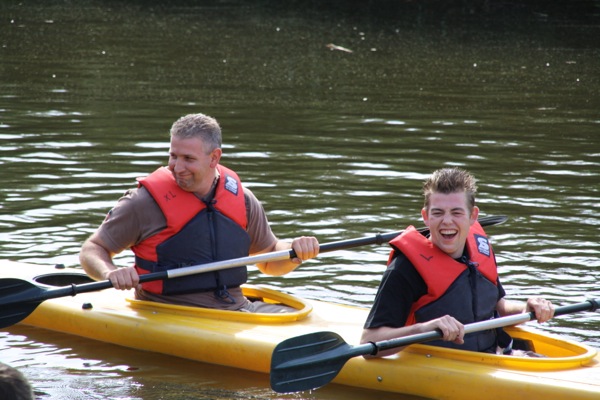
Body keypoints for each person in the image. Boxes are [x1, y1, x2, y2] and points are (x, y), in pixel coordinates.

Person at [80, 113, 319, 312]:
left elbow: (269, 261)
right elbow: (92, 249)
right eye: (173, 156)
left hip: (238, 309)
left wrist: (295, 251)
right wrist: (109, 272)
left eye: (188, 159)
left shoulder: (243, 200)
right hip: (168, 312)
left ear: (214, 157)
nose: (177, 167)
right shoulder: (142, 203)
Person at [361, 167, 555, 357]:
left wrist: (525, 309)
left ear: (473, 216)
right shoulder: (405, 268)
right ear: (426, 217)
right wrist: (424, 328)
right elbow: (369, 340)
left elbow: (497, 306)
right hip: (443, 368)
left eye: (456, 212)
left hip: (497, 355)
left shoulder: (480, 250)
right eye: (438, 213)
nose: (447, 221)